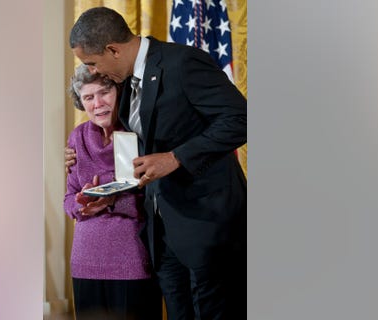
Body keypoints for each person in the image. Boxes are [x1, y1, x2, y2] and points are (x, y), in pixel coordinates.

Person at [67, 7, 248, 320]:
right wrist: (73, 155)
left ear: (113, 49)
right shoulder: (124, 82)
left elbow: (241, 118)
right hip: (162, 233)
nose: (94, 72)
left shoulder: (182, 62)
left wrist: (176, 158)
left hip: (207, 226)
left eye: (93, 63)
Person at [63, 64, 161, 320]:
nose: (98, 103)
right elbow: (68, 199)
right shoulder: (77, 137)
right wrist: (83, 203)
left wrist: (111, 201)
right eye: (88, 97)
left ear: (119, 91)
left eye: (104, 92)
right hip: (85, 259)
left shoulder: (137, 133)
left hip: (132, 258)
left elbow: (153, 199)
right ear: (81, 103)